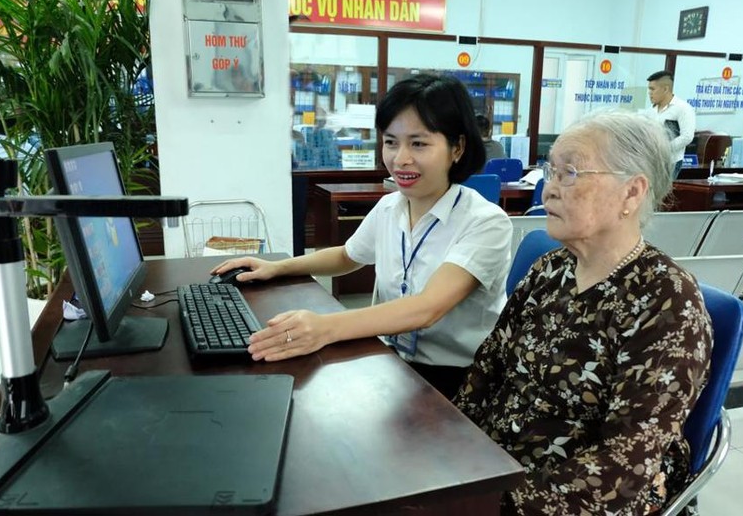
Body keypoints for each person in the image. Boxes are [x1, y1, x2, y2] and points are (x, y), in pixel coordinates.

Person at [454, 109, 712, 515]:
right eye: (550, 171)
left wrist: (491, 504)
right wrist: (447, 453)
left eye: (570, 173)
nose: (549, 190)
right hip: (495, 464)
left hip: (585, 496)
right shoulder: (551, 268)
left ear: (632, 192)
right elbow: (487, 370)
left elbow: (626, 462)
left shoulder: (668, 301)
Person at [212, 74, 512, 398]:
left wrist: (325, 327)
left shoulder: (485, 222)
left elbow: (427, 308)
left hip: (459, 381)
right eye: (391, 141)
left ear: (457, 148)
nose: (400, 159)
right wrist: (277, 266)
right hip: (393, 361)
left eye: (419, 143)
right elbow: (347, 256)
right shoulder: (390, 207)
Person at [647, 70, 696, 179]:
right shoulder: (651, 110)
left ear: (665, 89)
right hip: (652, 161)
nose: (649, 93)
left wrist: (665, 149)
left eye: (652, 89)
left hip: (671, 162)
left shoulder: (683, 108)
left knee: (662, 195)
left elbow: (687, 136)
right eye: (649, 89)